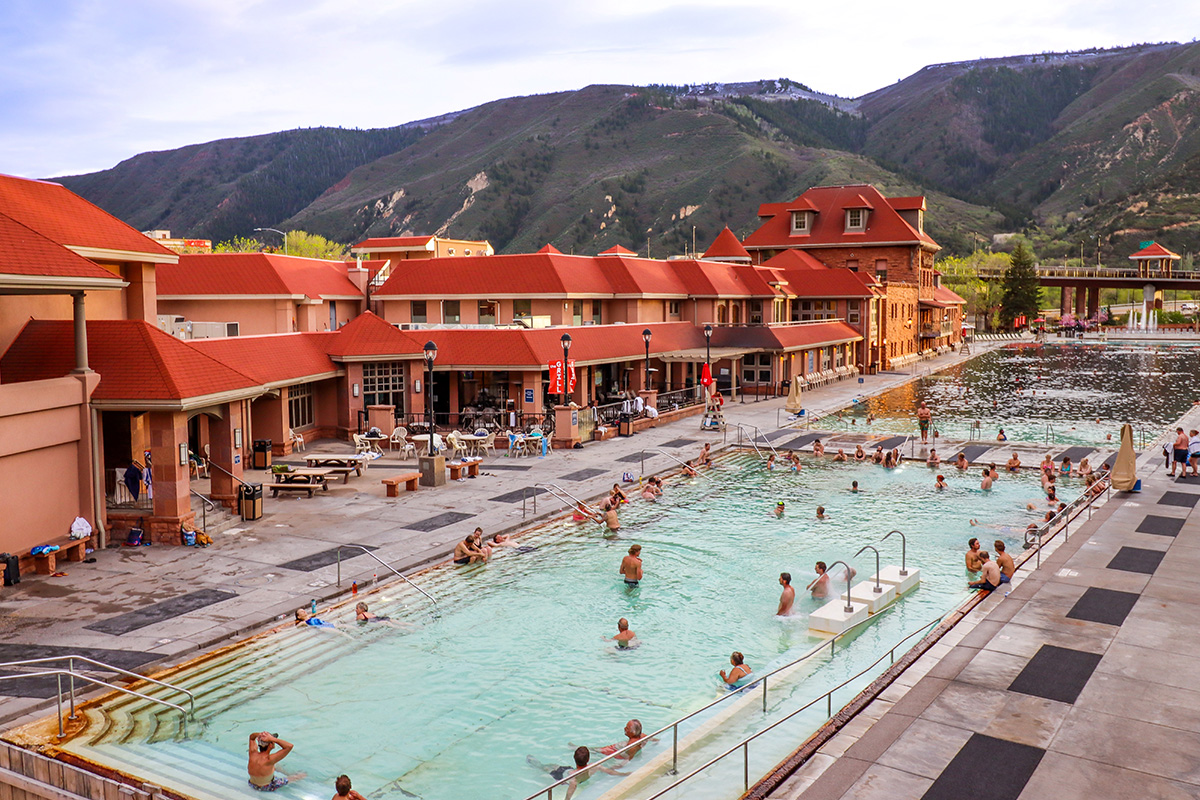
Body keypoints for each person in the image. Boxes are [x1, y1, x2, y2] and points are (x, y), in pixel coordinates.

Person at [527, 747, 628, 800]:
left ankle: (535, 763)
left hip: (564, 775)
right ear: (588, 759)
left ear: (574, 759)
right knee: (554, 766)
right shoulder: (595, 766)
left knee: (548, 767)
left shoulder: (573, 778)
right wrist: (624, 774)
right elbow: (610, 772)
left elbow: (569, 794)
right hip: (572, 771)